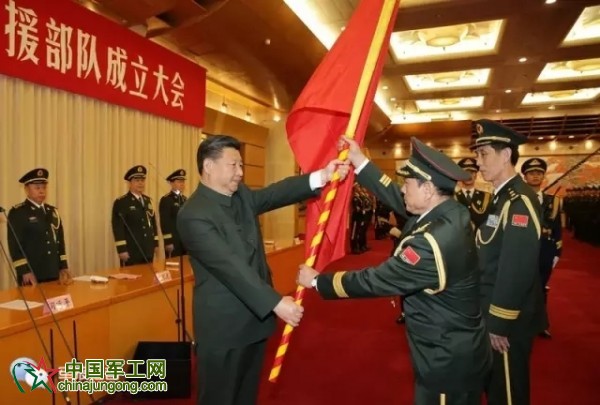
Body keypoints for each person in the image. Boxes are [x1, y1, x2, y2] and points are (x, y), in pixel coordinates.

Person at [299, 136, 492, 405]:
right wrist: (359, 161)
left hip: (446, 362)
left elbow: (377, 280)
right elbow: (396, 197)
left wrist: (319, 282)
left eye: (407, 184)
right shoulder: (452, 211)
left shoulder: (430, 242)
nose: (402, 189)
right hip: (461, 347)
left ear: (427, 190)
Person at [176, 134, 349, 405]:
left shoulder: (241, 195)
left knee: (246, 396)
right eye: (233, 165)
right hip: (224, 329)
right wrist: (275, 302)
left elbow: (273, 194)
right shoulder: (193, 214)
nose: (240, 172)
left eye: (241, 165)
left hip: (255, 322)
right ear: (208, 166)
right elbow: (230, 267)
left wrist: (321, 176)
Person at [470, 119, 546, 405]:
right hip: (490, 309)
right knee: (495, 386)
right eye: (477, 155)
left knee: (507, 392)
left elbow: (517, 267)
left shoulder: (518, 201)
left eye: (483, 154)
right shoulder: (501, 197)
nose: (478, 162)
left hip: (507, 319)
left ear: (505, 155)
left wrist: (500, 322)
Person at [7, 168, 73, 286]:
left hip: (53, 271)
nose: (41, 191)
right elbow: (15, 245)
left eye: (44, 187)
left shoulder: (52, 211)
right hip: (32, 274)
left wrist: (63, 266)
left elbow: (60, 242)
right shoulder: (18, 213)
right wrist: (24, 271)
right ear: (27, 189)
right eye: (37, 188)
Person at [521, 157, 562, 339]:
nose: (535, 176)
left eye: (539, 173)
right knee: (523, 286)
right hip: (523, 249)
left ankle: (540, 323)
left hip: (545, 249)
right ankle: (523, 321)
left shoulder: (553, 201)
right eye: (531, 173)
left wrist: (557, 252)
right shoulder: (520, 200)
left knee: (541, 286)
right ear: (525, 177)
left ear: (543, 176)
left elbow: (557, 228)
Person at [111, 165, 159, 266]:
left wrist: (155, 243)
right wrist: (122, 249)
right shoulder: (122, 202)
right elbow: (118, 227)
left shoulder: (148, 200)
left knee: (148, 275)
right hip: (131, 250)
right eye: (137, 180)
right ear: (129, 183)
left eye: (142, 180)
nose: (140, 183)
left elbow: (153, 224)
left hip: (148, 249)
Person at [455, 157, 492, 229]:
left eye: (472, 172)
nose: (469, 175)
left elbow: (493, 218)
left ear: (476, 175)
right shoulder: (452, 197)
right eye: (465, 172)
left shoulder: (486, 197)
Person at [159, 169, 188, 258]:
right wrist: (168, 241)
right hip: (174, 241)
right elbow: (165, 222)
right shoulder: (167, 199)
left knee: (186, 264)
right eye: (179, 181)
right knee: (174, 265)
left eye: (183, 181)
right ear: (171, 183)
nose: (182, 184)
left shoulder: (185, 199)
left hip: (185, 241)